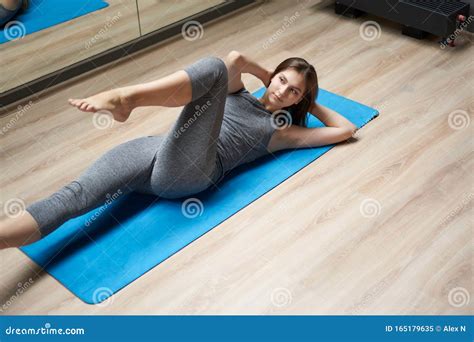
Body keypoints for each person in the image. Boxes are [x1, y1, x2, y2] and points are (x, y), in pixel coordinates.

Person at [0, 51, 357, 249]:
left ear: (300, 99)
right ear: (272, 76)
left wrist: (308, 104)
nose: (283, 91)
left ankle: (129, 98)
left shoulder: (281, 132)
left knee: (214, 69)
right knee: (74, 196)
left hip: (193, 173)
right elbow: (237, 59)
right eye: (282, 80)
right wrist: (267, 76)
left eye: (294, 91)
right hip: (158, 151)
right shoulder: (237, 93)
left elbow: (346, 129)